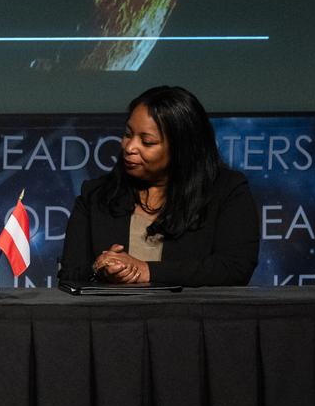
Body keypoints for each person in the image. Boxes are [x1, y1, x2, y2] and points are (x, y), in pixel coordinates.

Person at [58, 85, 258, 287]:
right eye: (128, 134)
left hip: (191, 317)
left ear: (182, 148)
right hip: (112, 318)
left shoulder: (227, 191)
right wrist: (99, 269)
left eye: (147, 142)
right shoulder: (95, 195)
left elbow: (234, 268)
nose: (129, 147)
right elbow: (70, 274)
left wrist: (146, 270)